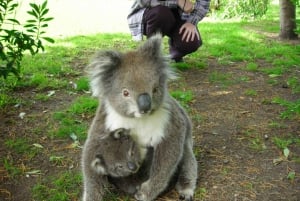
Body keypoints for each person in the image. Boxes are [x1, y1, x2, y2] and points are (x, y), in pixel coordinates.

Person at [127, 0, 211, 62]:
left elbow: (204, 4)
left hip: (179, 13)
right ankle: (151, 53)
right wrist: (178, 1)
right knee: (162, 14)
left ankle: (175, 51)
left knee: (191, 42)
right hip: (151, 13)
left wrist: (192, 22)